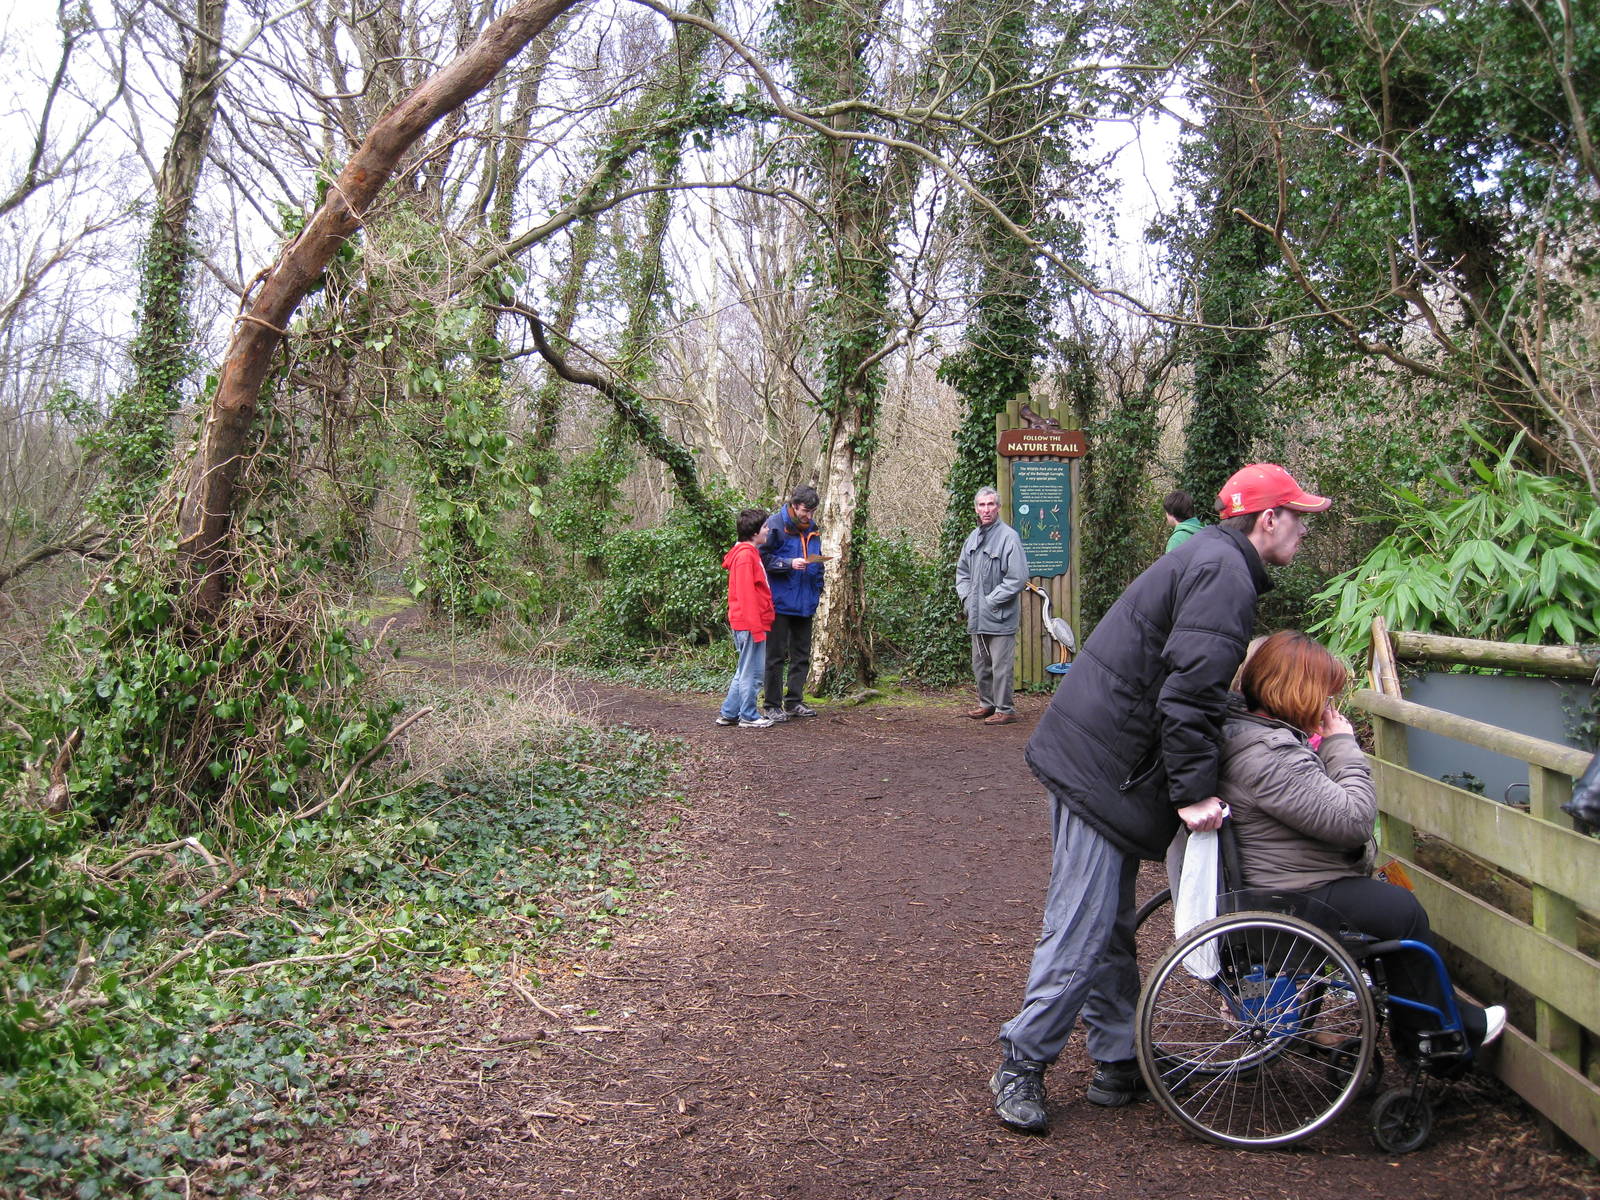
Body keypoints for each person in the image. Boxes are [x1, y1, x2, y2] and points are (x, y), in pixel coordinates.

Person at [991, 462, 1331, 1135]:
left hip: (1102, 755)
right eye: (1299, 516)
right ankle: (1020, 1062)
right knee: (1083, 921)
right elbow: (1188, 695)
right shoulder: (1225, 573)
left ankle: (1118, 1060)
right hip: (1103, 764)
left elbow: (1189, 681)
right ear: (1268, 519)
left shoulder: (1213, 559)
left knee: (1107, 921)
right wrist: (1195, 794)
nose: (1303, 529)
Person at [1220, 630, 1505, 1056]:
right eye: (1325, 694)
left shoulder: (1249, 734)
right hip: (1291, 894)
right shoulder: (1270, 754)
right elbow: (1353, 821)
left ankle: (1440, 1022)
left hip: (1278, 880)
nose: (1328, 704)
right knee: (1401, 912)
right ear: (1298, 691)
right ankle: (1433, 1041)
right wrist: (1341, 743)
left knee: (1389, 905)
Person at [955, 486, 1030, 725]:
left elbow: (1017, 578)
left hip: (1000, 616)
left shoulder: (1009, 537)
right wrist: (968, 599)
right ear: (976, 509)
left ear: (998, 507)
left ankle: (1005, 709)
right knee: (981, 665)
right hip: (976, 615)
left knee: (1001, 667)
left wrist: (990, 600)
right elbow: (962, 573)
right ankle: (986, 705)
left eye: (990, 504)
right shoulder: (973, 537)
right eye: (982, 505)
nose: (986, 509)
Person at [759, 485, 824, 721]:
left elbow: (818, 564)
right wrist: (788, 563)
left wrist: (817, 590)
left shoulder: (813, 529)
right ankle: (772, 705)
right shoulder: (775, 525)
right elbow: (761, 558)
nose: (809, 515)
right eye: (806, 510)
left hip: (806, 601)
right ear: (794, 505)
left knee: (801, 655)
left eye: (813, 511)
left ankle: (794, 701)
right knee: (775, 656)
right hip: (780, 602)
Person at [716, 508, 777, 730]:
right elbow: (746, 595)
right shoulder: (745, 556)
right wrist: (756, 627)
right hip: (750, 624)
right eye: (765, 527)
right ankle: (748, 715)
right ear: (754, 532)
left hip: (750, 623)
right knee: (753, 673)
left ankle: (729, 713)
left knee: (744, 670)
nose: (768, 530)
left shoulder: (749, 553)